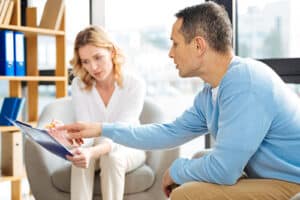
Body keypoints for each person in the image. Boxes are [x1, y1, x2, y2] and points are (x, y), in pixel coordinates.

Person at [58, 2, 300, 200]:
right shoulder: (211, 93)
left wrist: (176, 170)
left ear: (198, 45)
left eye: (175, 43)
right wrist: (101, 128)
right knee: (196, 163)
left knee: (186, 194)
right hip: (270, 176)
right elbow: (168, 132)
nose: (170, 53)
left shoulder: (245, 82)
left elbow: (225, 171)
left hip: (293, 183)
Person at [67, 25, 146, 200]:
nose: (93, 67)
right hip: (93, 145)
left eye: (98, 57)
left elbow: (123, 133)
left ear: (111, 51)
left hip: (129, 146)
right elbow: (85, 130)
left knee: (112, 158)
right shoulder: (78, 86)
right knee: (80, 161)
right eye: (85, 61)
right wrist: (78, 147)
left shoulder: (134, 84)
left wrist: (92, 152)